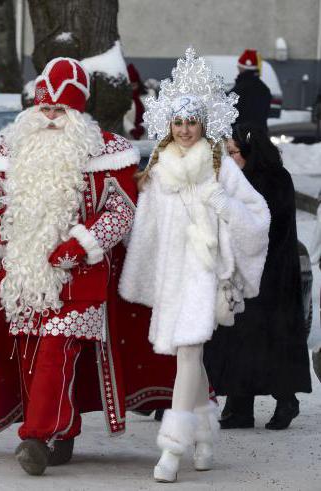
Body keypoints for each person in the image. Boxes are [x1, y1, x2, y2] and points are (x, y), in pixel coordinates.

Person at [0, 57, 177, 477]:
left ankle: (34, 437)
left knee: (55, 352)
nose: (51, 119)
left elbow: (121, 211)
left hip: (81, 276)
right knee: (31, 357)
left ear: (79, 111)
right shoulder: (7, 152)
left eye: (61, 111)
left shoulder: (108, 152)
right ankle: (62, 430)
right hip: (25, 276)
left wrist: (81, 244)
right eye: (45, 109)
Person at [119, 48, 271, 483]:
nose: (186, 131)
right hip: (171, 278)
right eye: (179, 123)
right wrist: (140, 276)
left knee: (187, 353)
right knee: (191, 355)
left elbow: (259, 217)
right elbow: (144, 229)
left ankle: (172, 448)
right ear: (169, 125)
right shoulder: (157, 170)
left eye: (193, 123)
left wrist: (224, 205)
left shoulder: (222, 169)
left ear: (205, 124)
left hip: (204, 274)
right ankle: (205, 434)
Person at [204, 123, 311, 430]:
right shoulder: (245, 178)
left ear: (252, 151)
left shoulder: (272, 179)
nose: (230, 158)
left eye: (234, 152)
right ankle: (240, 408)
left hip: (272, 275)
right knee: (240, 339)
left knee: (270, 340)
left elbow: (263, 225)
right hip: (248, 272)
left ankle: (286, 400)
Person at [230, 49, 272, 131]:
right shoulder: (264, 89)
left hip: (240, 136)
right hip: (260, 136)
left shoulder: (239, 89)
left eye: (239, 65)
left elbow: (231, 114)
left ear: (242, 67)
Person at [123, 63, 147, 140]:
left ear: (138, 84)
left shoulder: (149, 94)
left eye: (134, 85)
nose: (132, 88)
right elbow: (122, 117)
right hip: (129, 136)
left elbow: (153, 114)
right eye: (130, 85)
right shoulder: (122, 97)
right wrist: (131, 130)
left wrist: (143, 127)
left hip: (145, 136)